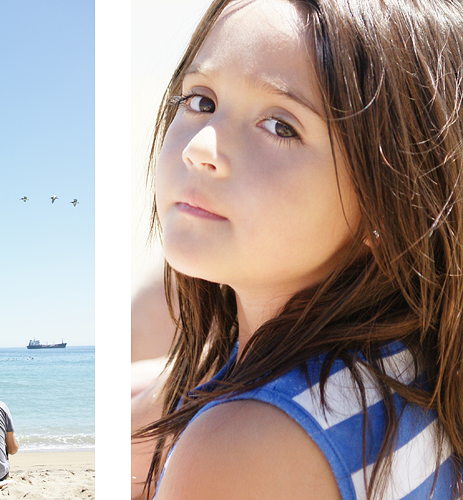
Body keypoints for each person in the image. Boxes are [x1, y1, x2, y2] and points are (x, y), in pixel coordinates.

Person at [131, 0, 463, 498]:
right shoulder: (415, 365)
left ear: (391, 199)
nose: (200, 148)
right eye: (201, 101)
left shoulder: (239, 452)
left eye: (281, 126)